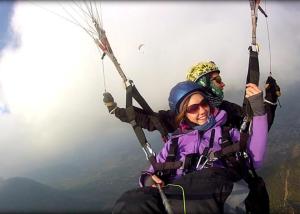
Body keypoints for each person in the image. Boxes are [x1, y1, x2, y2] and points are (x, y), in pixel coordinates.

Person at [112, 80, 268, 214]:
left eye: (204, 103)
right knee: (129, 202)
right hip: (179, 196)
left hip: (216, 192)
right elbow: (150, 171)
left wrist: (259, 113)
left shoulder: (227, 133)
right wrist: (147, 180)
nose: (202, 111)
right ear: (183, 113)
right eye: (193, 108)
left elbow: (255, 159)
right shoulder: (174, 143)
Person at [103, 61, 279, 136]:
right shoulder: (179, 118)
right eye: (217, 80)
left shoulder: (229, 111)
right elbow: (148, 120)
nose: (223, 84)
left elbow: (256, 130)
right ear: (204, 84)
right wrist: (116, 110)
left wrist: (269, 102)